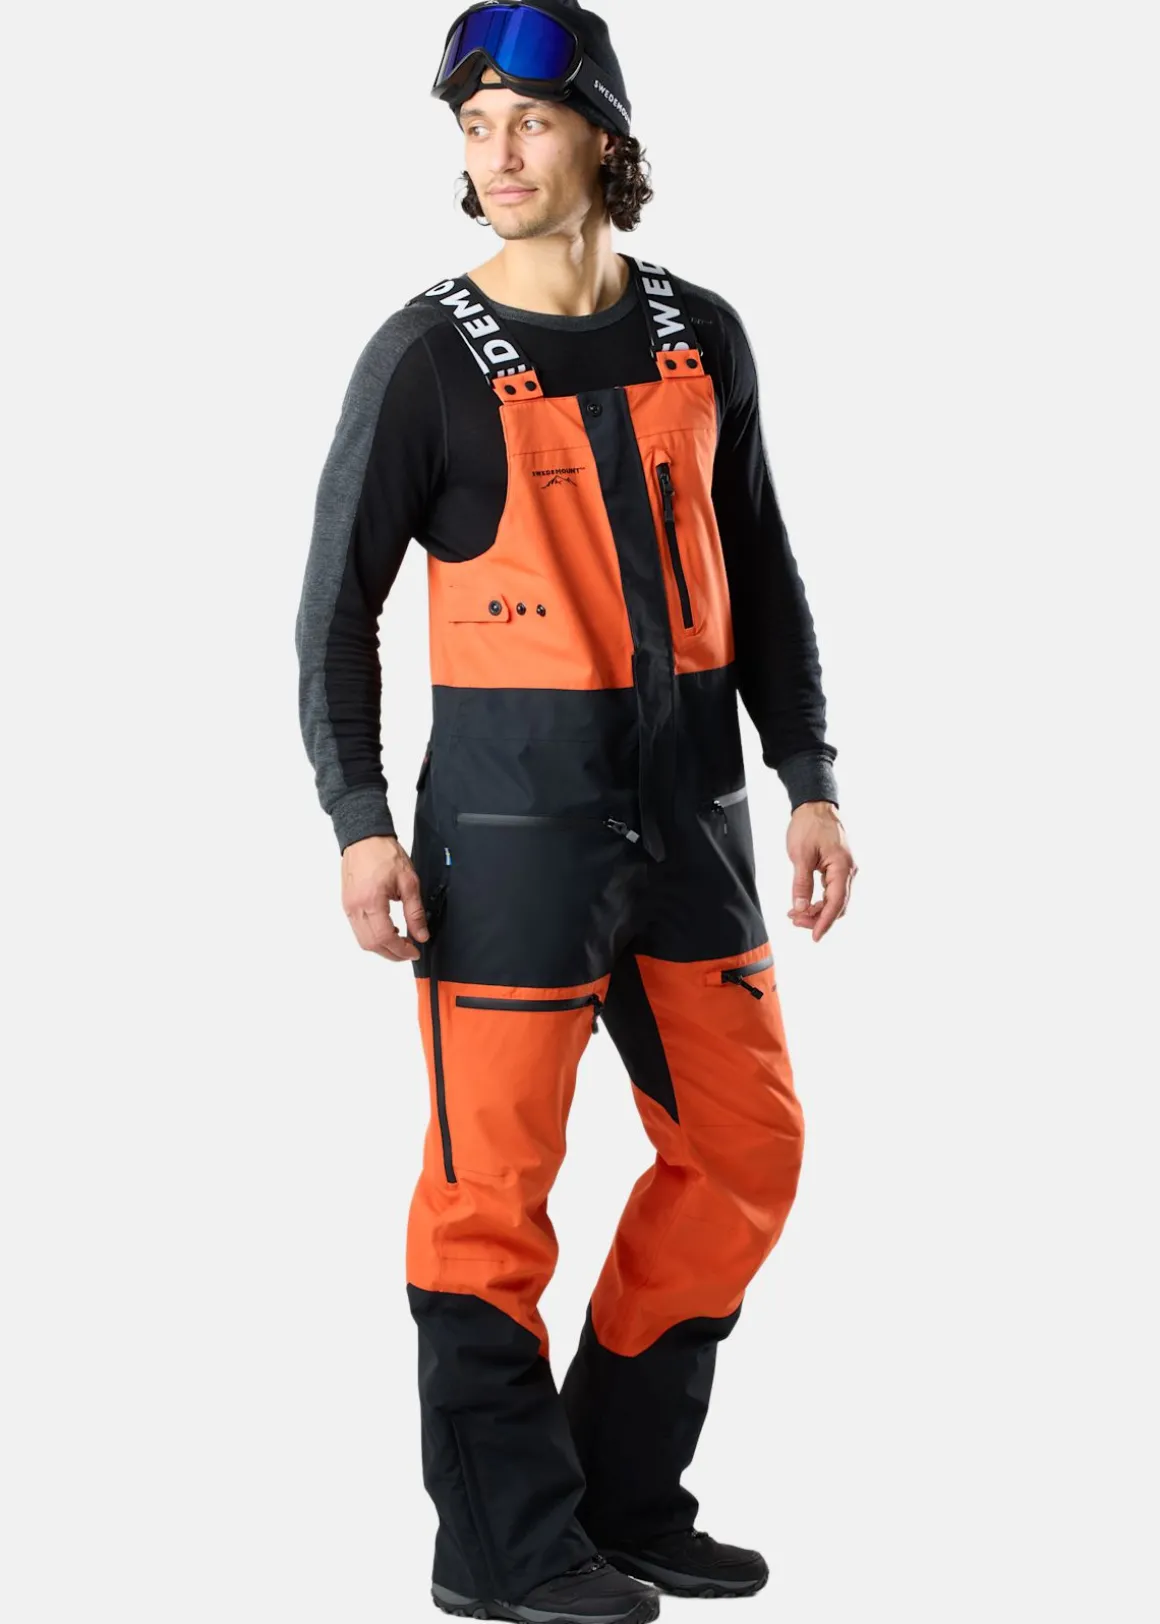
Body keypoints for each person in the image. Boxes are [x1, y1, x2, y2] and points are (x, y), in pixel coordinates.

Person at [294, 3, 857, 1619]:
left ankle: (613, 1497)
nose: (498, 156)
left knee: (745, 1151)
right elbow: (334, 613)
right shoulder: (423, 357)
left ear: (603, 134)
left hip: (696, 824)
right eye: (474, 129)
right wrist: (359, 819)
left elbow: (761, 565)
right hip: (507, 837)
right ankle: (498, 1547)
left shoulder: (702, 334)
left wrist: (809, 775)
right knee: (492, 1194)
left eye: (529, 122)